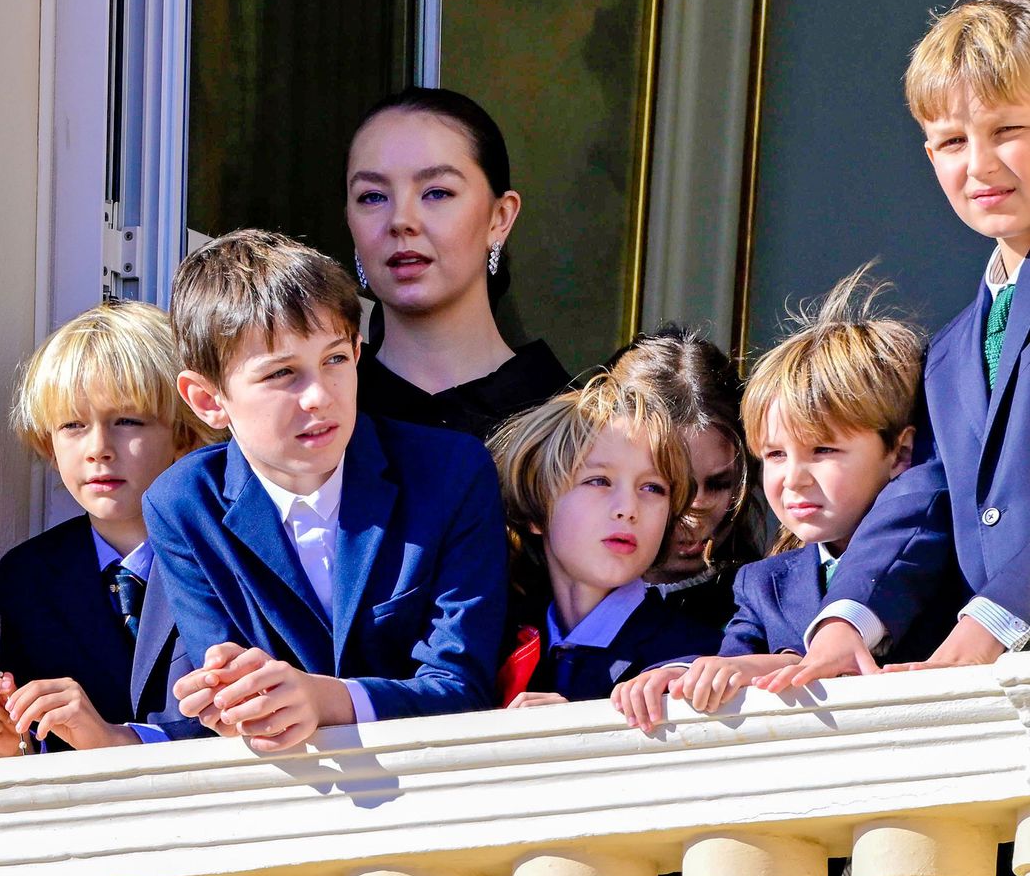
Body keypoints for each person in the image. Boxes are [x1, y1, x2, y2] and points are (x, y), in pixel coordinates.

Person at [143, 229, 507, 751]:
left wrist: (324, 699)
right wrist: (230, 701)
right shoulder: (182, 504)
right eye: (283, 373)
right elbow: (226, 684)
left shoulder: (450, 472)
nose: (318, 396)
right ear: (207, 399)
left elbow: (464, 688)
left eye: (335, 359)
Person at [760, 0, 1030, 694]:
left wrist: (997, 618)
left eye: (1010, 130)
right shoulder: (950, 353)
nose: (980, 165)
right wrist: (848, 621)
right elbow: (926, 499)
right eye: (950, 141)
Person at [612, 269, 963, 724]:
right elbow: (727, 662)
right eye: (775, 454)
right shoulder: (760, 584)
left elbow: (840, 666)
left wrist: (770, 665)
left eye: (823, 450)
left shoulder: (944, 560)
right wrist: (677, 674)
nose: (793, 479)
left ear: (900, 452)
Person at [0, 301, 213, 756]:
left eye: (127, 421)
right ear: (49, 445)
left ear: (185, 433)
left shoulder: (226, 554)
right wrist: (13, 744)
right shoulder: (28, 576)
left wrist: (119, 740)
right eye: (73, 425)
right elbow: (40, 748)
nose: (99, 448)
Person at [346, 87, 571, 439]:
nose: (401, 220)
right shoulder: (321, 412)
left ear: (499, 217)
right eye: (372, 197)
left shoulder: (575, 422)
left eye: (437, 192)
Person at [488, 374, 724, 707]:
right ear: (536, 510)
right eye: (598, 481)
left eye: (652, 488)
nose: (628, 509)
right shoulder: (492, 645)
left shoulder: (692, 658)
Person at [607, 326, 764, 624]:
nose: (695, 515)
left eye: (719, 484)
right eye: (666, 486)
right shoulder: (555, 596)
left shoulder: (761, 608)